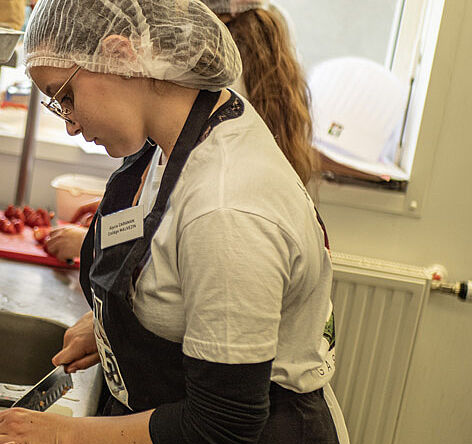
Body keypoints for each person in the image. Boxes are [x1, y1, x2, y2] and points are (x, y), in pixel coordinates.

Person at [0, 0, 351, 444]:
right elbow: (174, 269)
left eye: (64, 96)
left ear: (120, 55)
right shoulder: (176, 137)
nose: (68, 122)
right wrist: (118, 328)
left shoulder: (227, 208)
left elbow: (221, 424)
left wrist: (58, 437)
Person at [44, 0, 318, 263]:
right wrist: (112, 221)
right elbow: (158, 211)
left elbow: (179, 231)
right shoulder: (174, 125)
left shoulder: (222, 197)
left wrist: (92, 242)